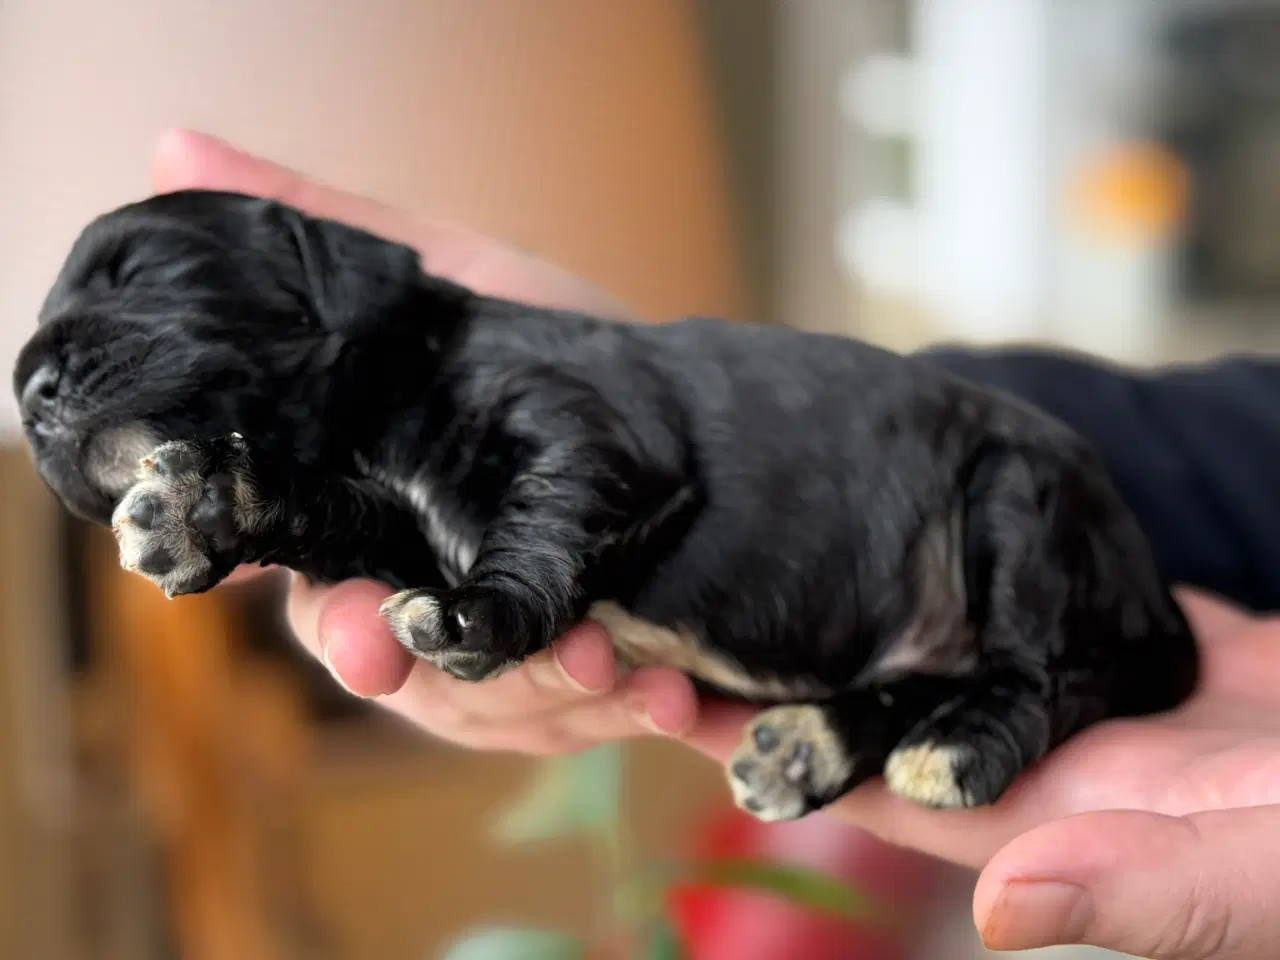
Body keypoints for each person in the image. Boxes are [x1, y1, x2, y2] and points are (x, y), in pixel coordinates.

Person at [151, 129, 1280, 958]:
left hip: (969, 561)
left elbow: (589, 486)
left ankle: (1008, 696)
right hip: (948, 525)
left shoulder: (505, 388)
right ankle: (907, 705)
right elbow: (1213, 454)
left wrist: (504, 592)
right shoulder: (464, 386)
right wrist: (271, 511)